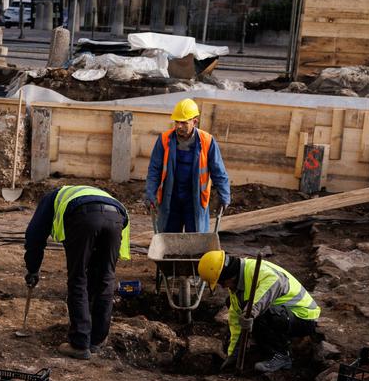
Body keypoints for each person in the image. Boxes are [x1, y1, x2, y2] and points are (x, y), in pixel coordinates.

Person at [24, 185, 130, 360]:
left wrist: (33, 269)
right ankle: (97, 339)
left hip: (83, 216)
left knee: (78, 277)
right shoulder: (91, 193)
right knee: (106, 278)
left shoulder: (51, 199)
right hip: (117, 218)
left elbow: (34, 236)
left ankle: (80, 343)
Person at [198, 250, 320, 373]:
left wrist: (251, 312)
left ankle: (281, 356)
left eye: (221, 282)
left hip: (303, 317)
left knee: (258, 312)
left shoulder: (256, 270)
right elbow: (236, 323)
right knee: (243, 308)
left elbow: (276, 281)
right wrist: (233, 354)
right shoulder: (236, 290)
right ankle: (266, 349)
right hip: (284, 314)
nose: (223, 287)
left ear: (229, 275)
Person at [144, 98, 231, 233]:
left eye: (183, 123)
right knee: (169, 237)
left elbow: (218, 172)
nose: (179, 126)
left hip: (195, 199)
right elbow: (154, 169)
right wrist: (150, 193)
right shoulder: (164, 139)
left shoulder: (207, 141)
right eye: (177, 122)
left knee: (196, 237)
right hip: (171, 197)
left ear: (194, 122)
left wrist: (224, 196)